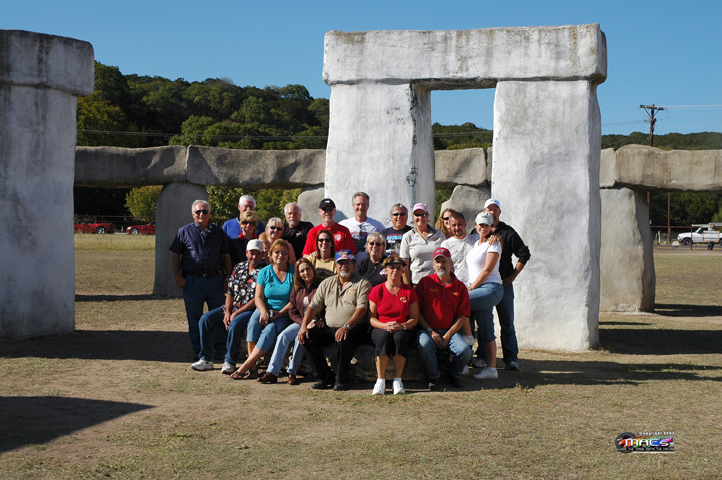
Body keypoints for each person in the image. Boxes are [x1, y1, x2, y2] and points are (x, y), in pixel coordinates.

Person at [297, 250, 371, 391]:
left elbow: (362, 309)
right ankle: (324, 376)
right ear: (335, 266)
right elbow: (313, 306)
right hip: (330, 327)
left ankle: (342, 380)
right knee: (307, 336)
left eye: (347, 262)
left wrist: (347, 326)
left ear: (353, 264)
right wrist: (303, 326)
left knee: (343, 339)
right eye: (340, 263)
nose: (344, 266)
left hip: (355, 327)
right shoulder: (327, 283)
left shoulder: (362, 283)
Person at [192, 240, 267, 373]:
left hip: (250, 309)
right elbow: (230, 293)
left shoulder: (265, 271)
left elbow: (257, 298)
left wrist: (235, 313)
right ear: (246, 253)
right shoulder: (239, 267)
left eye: (257, 254)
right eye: (251, 253)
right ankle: (206, 358)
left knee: (235, 323)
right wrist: (227, 311)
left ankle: (230, 361)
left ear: (263, 254)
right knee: (205, 319)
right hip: (233, 306)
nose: (254, 257)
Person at [170, 200, 232, 359]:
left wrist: (227, 278)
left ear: (210, 213)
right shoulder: (183, 232)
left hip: (214, 281)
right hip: (192, 281)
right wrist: (177, 276)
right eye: (198, 212)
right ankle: (200, 351)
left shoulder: (219, 233)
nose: (201, 214)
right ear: (193, 214)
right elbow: (175, 255)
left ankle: (221, 350)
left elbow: (226, 256)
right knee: (194, 319)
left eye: (205, 211)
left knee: (219, 316)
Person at [231, 239, 294, 379]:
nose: (280, 255)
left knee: (270, 329)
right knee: (253, 324)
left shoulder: (293, 273)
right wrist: (264, 311)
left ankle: (245, 366)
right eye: (277, 252)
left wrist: (280, 313)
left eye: (284, 252)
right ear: (271, 254)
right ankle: (253, 368)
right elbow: (258, 297)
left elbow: (294, 300)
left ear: (288, 255)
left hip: (283, 312)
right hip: (264, 308)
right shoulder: (265, 272)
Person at [481, 198, 530, 371]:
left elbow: (524, 253)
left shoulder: (508, 232)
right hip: (484, 286)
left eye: (495, 210)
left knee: (507, 323)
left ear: (499, 212)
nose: (492, 212)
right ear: (484, 212)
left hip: (503, 285)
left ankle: (511, 358)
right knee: (484, 323)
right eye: (489, 209)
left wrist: (513, 276)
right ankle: (482, 357)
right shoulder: (479, 231)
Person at [415, 247, 473, 390]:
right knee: (424, 344)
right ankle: (434, 377)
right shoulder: (425, 282)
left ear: (451, 263)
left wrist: (447, 336)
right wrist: (430, 331)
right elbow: (417, 311)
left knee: (465, 351)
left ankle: (454, 375)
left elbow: (462, 316)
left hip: (450, 331)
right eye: (437, 262)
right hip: (427, 330)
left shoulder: (460, 287)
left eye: (444, 261)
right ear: (433, 265)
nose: (440, 265)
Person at [258, 257, 321, 385]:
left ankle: (292, 372)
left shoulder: (321, 286)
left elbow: (327, 306)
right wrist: (302, 323)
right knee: (283, 336)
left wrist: (320, 320)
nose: (305, 273)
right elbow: (292, 312)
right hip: (301, 322)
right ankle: (272, 372)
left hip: (315, 322)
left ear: (313, 269)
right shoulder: (297, 288)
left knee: (300, 338)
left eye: (308, 269)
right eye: (302, 271)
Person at [368, 254, 419, 395]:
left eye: (399, 268)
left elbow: (414, 318)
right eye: (391, 267)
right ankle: (380, 380)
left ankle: (398, 380)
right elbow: (371, 318)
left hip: (402, 327)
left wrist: (402, 326)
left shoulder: (409, 291)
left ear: (403, 270)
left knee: (400, 337)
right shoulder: (377, 290)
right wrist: (384, 326)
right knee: (383, 337)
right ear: (385, 270)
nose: (395, 270)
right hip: (381, 326)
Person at [466, 212, 505, 380]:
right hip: (479, 289)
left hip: (490, 289)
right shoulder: (476, 244)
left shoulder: (494, 243)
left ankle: (467, 339)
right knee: (487, 330)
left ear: (491, 227)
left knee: (460, 302)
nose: (483, 228)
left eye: (487, 225)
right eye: (480, 225)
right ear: (476, 225)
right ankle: (492, 369)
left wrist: (470, 288)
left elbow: (487, 270)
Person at [399, 203, 445, 286]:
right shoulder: (408, 236)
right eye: (417, 215)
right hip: (416, 283)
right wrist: (407, 285)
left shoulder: (439, 234)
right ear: (413, 216)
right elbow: (404, 264)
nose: (420, 218)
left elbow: (446, 258)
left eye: (423, 215)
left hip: (437, 282)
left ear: (427, 216)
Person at [338, 192, 385, 261]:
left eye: (363, 205)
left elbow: (383, 247)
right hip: (349, 264)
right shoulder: (343, 224)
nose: (360, 207)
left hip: (369, 265)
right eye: (358, 204)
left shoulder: (377, 226)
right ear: (353, 206)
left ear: (368, 206)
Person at [441, 211, 479, 286]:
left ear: (465, 223)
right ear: (449, 226)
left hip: (475, 285)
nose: (457, 228)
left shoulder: (476, 239)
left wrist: (496, 237)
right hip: (456, 286)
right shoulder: (446, 244)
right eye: (454, 225)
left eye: (460, 224)